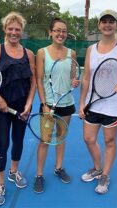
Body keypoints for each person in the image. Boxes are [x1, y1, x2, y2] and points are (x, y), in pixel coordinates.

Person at [79, 10, 117, 194]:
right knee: (89, 138)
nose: (108, 25)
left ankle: (105, 175)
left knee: (109, 141)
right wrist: (81, 104)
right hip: (92, 103)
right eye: (104, 21)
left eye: (112, 21)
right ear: (99, 25)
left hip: (114, 104)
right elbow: (86, 78)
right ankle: (97, 168)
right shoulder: (90, 49)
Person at [0, 12, 36, 206]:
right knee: (3, 144)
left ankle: (13, 172)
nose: (14, 32)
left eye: (17, 29)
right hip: (1, 108)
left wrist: (29, 103)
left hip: (22, 107)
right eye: (10, 28)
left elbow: (32, 82)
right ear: (5, 29)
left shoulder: (29, 54)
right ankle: (0, 183)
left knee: (18, 142)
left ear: (21, 31)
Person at [34, 17, 79, 193]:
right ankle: (39, 175)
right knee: (45, 140)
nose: (61, 34)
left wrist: (75, 81)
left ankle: (58, 168)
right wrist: (44, 104)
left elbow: (73, 77)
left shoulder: (71, 54)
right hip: (48, 105)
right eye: (57, 30)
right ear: (50, 32)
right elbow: (38, 79)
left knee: (61, 137)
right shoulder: (42, 53)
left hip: (67, 104)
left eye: (64, 31)